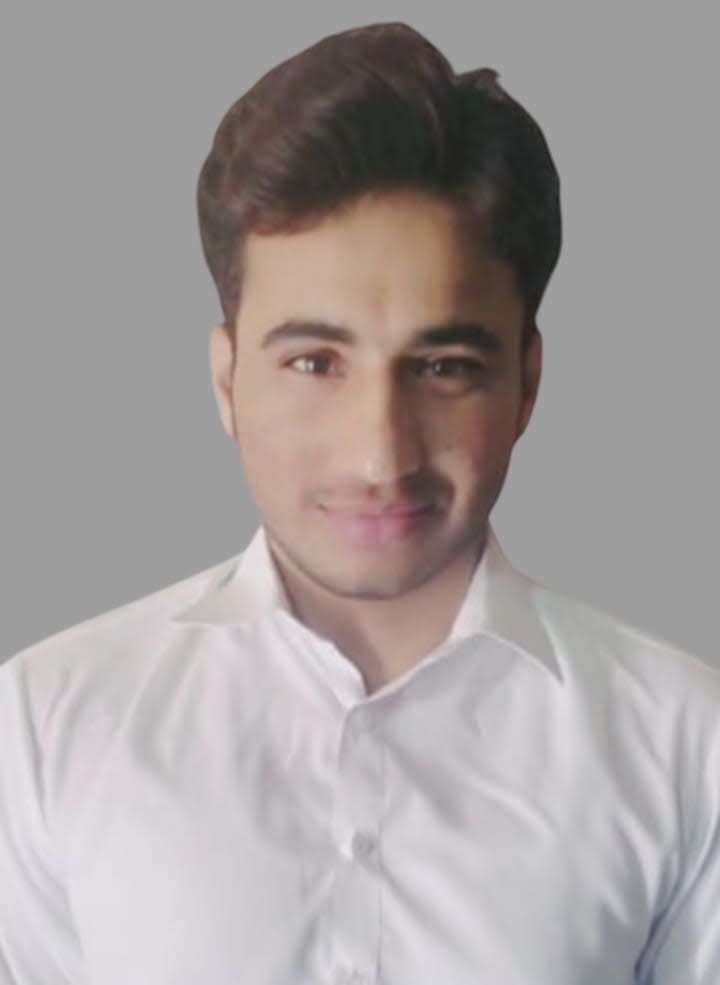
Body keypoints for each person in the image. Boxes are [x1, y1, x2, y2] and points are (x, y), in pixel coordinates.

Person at [1, 20, 718, 985]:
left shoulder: (685, 743)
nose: (381, 454)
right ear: (226, 380)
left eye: (443, 365)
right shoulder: (45, 725)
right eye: (314, 362)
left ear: (528, 381)